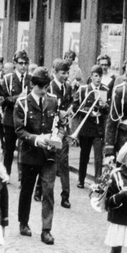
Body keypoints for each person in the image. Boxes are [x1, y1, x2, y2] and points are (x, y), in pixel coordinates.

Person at [15, 67, 61, 245]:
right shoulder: (22, 103)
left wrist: (58, 137)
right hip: (30, 153)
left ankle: (46, 229)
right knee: (27, 190)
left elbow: (59, 124)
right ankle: (23, 222)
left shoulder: (53, 101)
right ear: (32, 85)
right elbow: (19, 130)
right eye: (40, 87)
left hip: (49, 154)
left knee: (48, 191)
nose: (44, 91)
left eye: (46, 87)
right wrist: (36, 139)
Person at [47, 59, 77, 208]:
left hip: (63, 128)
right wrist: (60, 112)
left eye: (67, 73)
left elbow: (71, 102)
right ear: (55, 73)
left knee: (64, 162)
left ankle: (65, 196)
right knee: (47, 160)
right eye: (63, 73)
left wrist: (70, 109)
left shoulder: (69, 87)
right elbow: (46, 106)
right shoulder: (49, 87)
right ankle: (41, 190)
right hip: (50, 128)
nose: (66, 76)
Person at [75, 65, 109, 188]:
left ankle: (98, 181)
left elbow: (109, 109)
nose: (98, 78)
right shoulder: (84, 90)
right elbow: (76, 107)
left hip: (98, 128)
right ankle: (81, 179)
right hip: (86, 127)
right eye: (96, 76)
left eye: (100, 76)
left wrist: (105, 107)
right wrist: (89, 111)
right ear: (91, 76)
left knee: (98, 157)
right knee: (84, 155)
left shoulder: (105, 89)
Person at [1, 51, 31, 174]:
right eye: (20, 63)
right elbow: (3, 98)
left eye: (25, 63)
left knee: (24, 149)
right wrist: (18, 98)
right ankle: (5, 173)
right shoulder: (8, 79)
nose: (23, 66)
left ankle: (22, 175)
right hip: (10, 119)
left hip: (26, 119)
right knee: (9, 149)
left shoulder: (31, 79)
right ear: (15, 64)